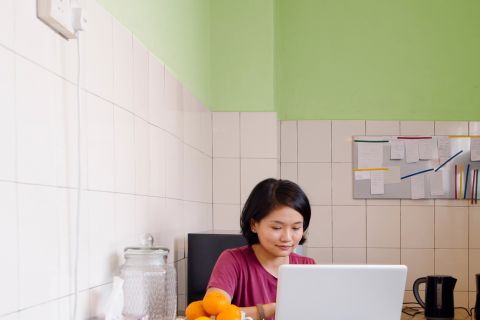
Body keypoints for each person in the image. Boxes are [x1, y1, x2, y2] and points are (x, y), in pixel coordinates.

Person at [206, 178, 315, 320]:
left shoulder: (308, 267)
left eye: (296, 228)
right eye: (277, 227)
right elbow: (213, 315)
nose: (287, 237)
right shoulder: (232, 261)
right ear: (253, 225)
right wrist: (273, 309)